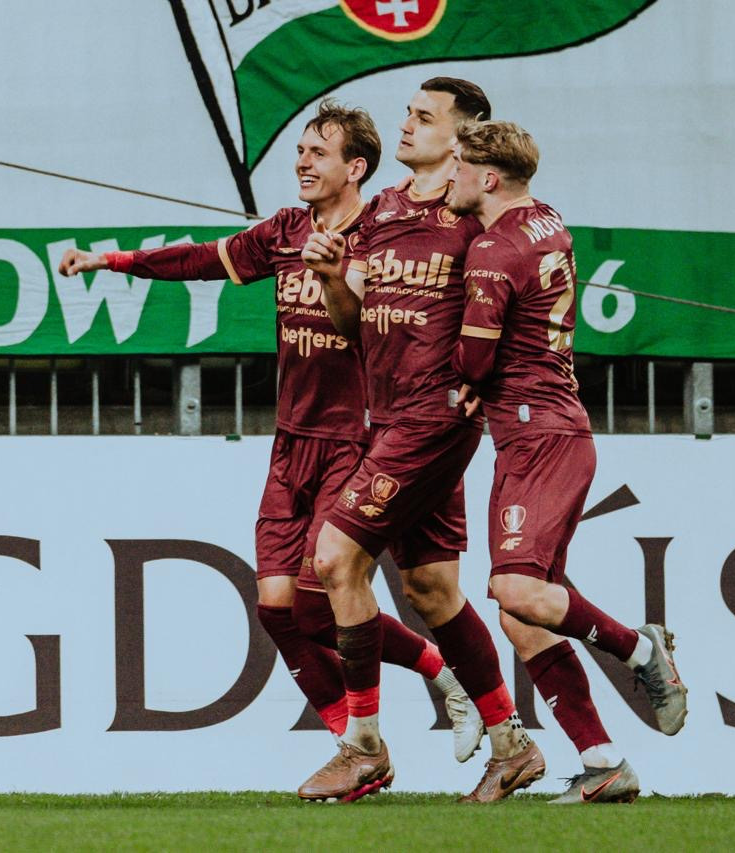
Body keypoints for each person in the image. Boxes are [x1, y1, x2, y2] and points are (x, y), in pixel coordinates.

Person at [55, 100, 482, 775]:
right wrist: (110, 259)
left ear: (356, 168)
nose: (302, 162)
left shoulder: (383, 233)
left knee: (318, 601)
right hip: (290, 442)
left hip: (356, 441)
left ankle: (432, 688)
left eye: (318, 152)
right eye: (300, 151)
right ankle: (366, 737)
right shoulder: (286, 229)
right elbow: (200, 259)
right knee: (278, 610)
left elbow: (423, 313)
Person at [300, 79, 542, 803]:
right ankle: (513, 746)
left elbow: (522, 293)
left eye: (424, 117)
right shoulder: (383, 208)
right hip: (388, 416)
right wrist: (331, 277)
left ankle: (362, 746)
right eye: (408, 112)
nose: (406, 125)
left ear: (463, 136)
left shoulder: (474, 213)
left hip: (432, 420)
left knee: (335, 559)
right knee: (433, 590)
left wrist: (490, 379)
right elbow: (351, 321)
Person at [446, 119, 688, 804]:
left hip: (539, 435)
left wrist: (460, 370)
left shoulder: (493, 248)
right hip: (546, 430)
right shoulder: (545, 219)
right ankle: (603, 761)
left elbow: (473, 359)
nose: (451, 176)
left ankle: (640, 650)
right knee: (522, 615)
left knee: (516, 592)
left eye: (459, 165)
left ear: (488, 177)